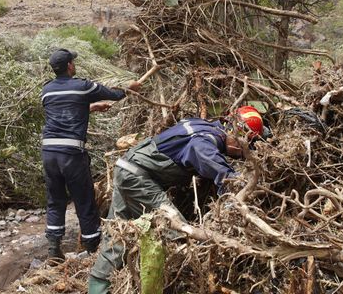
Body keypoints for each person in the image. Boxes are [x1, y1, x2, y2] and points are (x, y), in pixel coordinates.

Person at [87, 107, 267, 294]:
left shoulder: (203, 125)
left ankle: (96, 288)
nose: (242, 151)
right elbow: (227, 179)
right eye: (246, 143)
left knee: (117, 233)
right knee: (178, 232)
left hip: (125, 168)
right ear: (238, 132)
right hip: (138, 178)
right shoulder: (205, 143)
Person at [41, 48, 141, 262]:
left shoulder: (46, 90)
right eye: (73, 63)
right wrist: (130, 89)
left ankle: (53, 249)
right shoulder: (83, 85)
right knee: (84, 198)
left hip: (49, 152)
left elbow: (60, 111)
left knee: (55, 200)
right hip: (71, 153)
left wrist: (90, 108)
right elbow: (115, 94)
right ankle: (93, 247)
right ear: (70, 66)